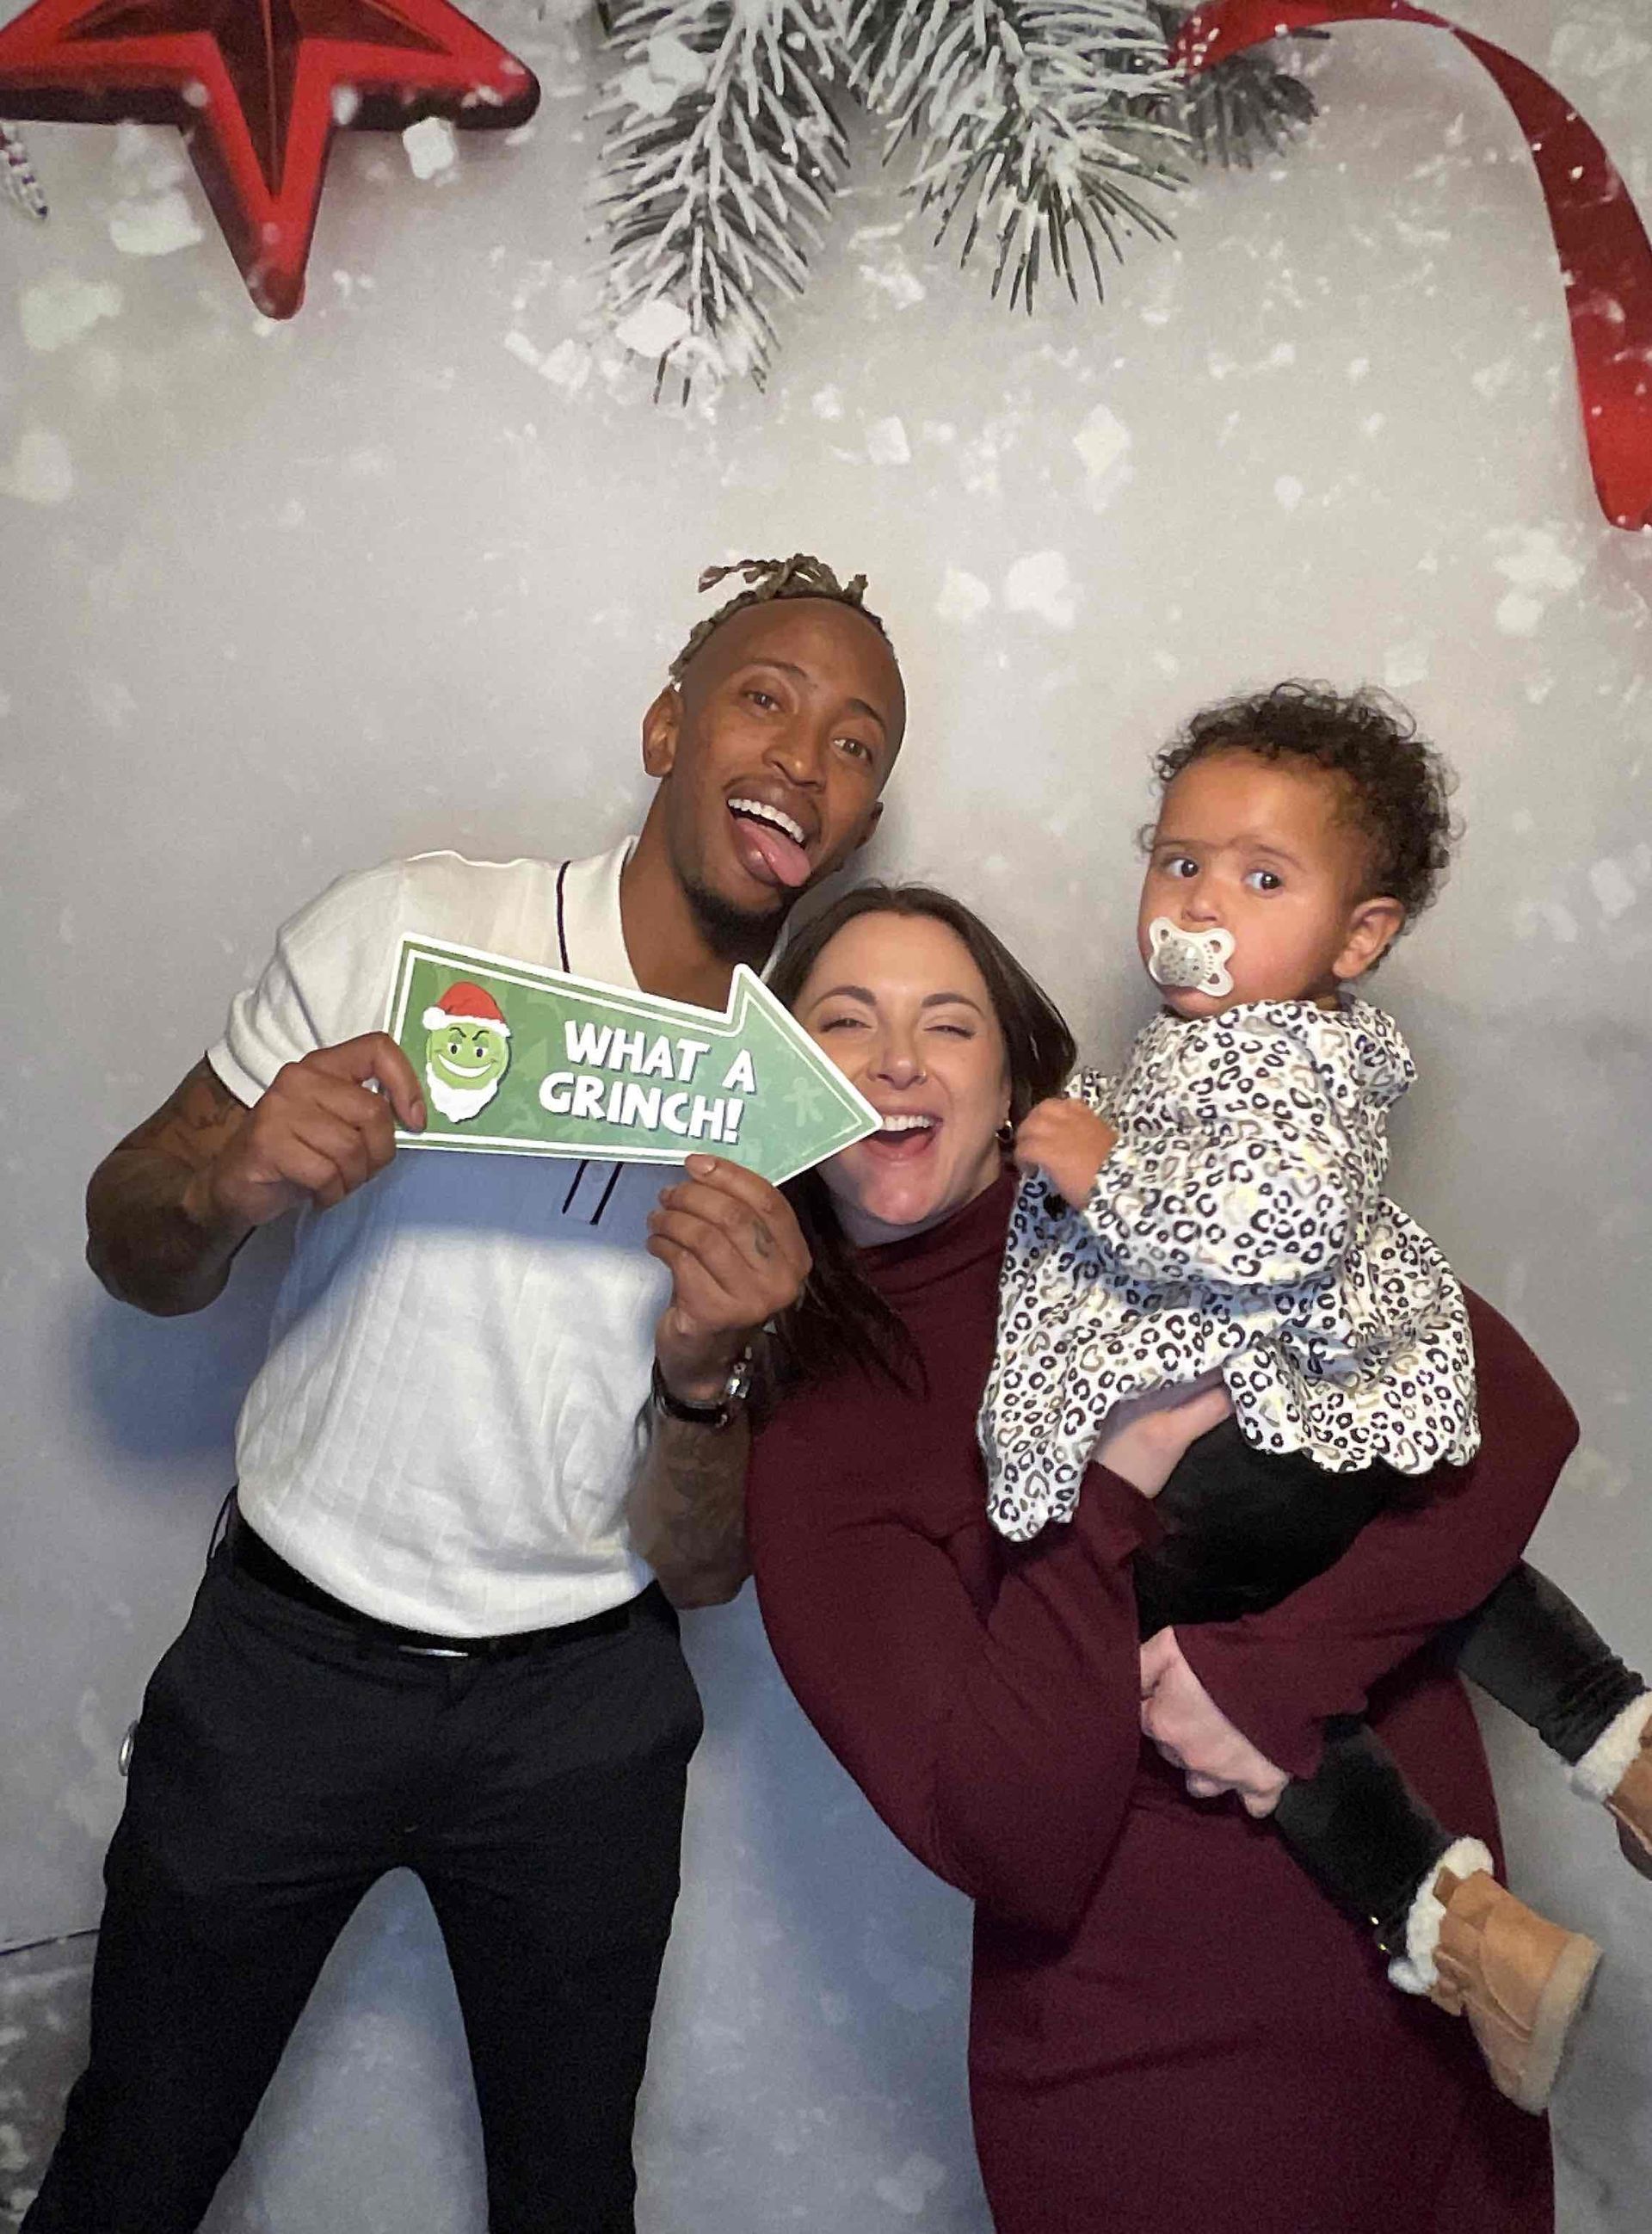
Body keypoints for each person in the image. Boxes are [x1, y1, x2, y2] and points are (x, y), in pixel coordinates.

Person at [30, 553, 902, 2234]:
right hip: (286, 1666)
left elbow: (708, 1565)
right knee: (132, 2162)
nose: (806, 756)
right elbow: (126, 1243)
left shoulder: (804, 1109)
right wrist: (233, 1180)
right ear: (669, 722)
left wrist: (707, 1371)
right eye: (768, 696)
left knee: (569, 2199)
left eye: (858, 743)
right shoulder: (409, 925)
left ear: (856, 825)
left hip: (582, 1722)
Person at [708, 879, 1593, 2234]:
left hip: (1443, 2018)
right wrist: (1112, 1482)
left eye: (946, 1025)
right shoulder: (821, 1440)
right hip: (1158, 2098)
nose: (896, 1060)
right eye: (845, 1022)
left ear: (1014, 1080)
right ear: (782, 1081)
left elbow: (1515, 1424)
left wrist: (1272, 1673)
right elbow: (1020, 1841)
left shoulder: (1159, 1209)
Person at [977, 683, 1651, 2107]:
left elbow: (1277, 1224)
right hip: (1304, 1437)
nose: (1201, 901)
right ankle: (1565, 1817)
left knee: (1193, 1661)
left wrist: (1103, 1172)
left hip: (1273, 1424)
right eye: (1180, 860)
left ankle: (1467, 1894)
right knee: (1375, 1589)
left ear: (1358, 938)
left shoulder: (1308, 1054)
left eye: (1261, 877)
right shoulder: (1194, 1052)